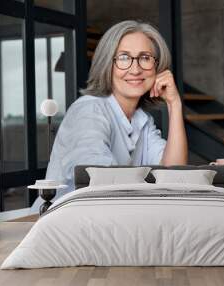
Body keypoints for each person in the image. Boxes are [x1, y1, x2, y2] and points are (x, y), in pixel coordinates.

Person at [31, 20, 188, 212]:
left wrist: (175, 105)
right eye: (123, 58)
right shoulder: (88, 110)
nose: (136, 69)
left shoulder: (143, 121)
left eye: (145, 57)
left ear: (157, 66)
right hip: (60, 225)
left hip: (109, 221)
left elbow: (174, 175)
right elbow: (103, 181)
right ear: (107, 64)